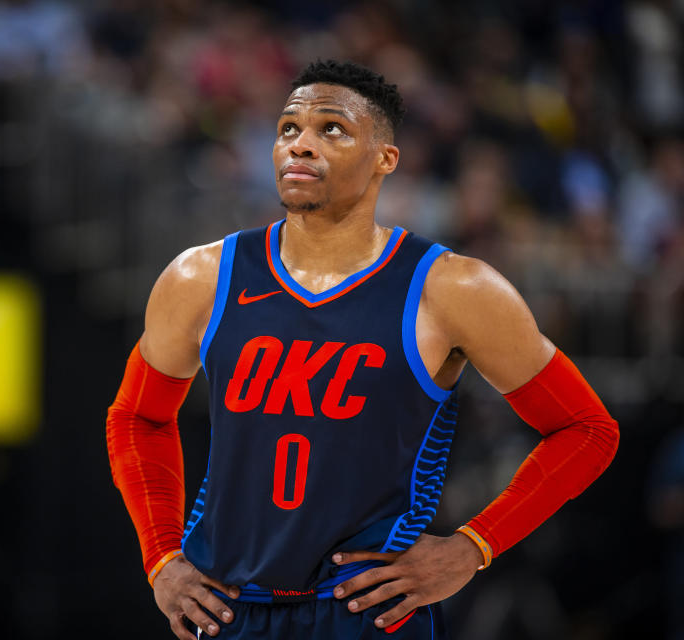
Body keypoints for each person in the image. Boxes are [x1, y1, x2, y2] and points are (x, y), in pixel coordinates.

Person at [106, 60, 619, 640]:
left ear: (385, 159)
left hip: (367, 614)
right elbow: (137, 417)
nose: (300, 144)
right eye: (287, 128)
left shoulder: (454, 289)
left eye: (331, 129)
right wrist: (160, 559)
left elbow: (587, 429)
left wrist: (473, 547)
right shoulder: (201, 276)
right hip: (226, 609)